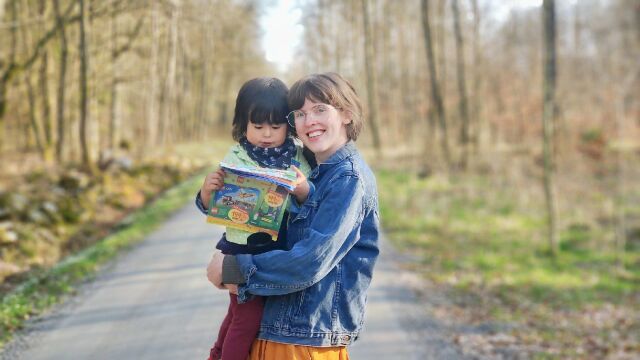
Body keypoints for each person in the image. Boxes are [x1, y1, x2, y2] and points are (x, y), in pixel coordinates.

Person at [207, 72, 380, 360]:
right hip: (279, 334)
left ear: (347, 115)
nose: (309, 120)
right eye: (300, 113)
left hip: (305, 343)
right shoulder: (314, 172)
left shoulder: (348, 179)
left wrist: (232, 268)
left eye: (320, 110)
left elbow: (309, 262)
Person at [196, 77, 312, 360]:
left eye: (276, 126)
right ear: (243, 124)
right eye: (258, 126)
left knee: (237, 313)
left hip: (273, 250)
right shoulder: (238, 155)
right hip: (242, 249)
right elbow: (216, 205)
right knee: (246, 319)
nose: (267, 135)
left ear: (289, 124)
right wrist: (207, 193)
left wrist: (302, 191)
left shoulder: (298, 158)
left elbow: (311, 202)